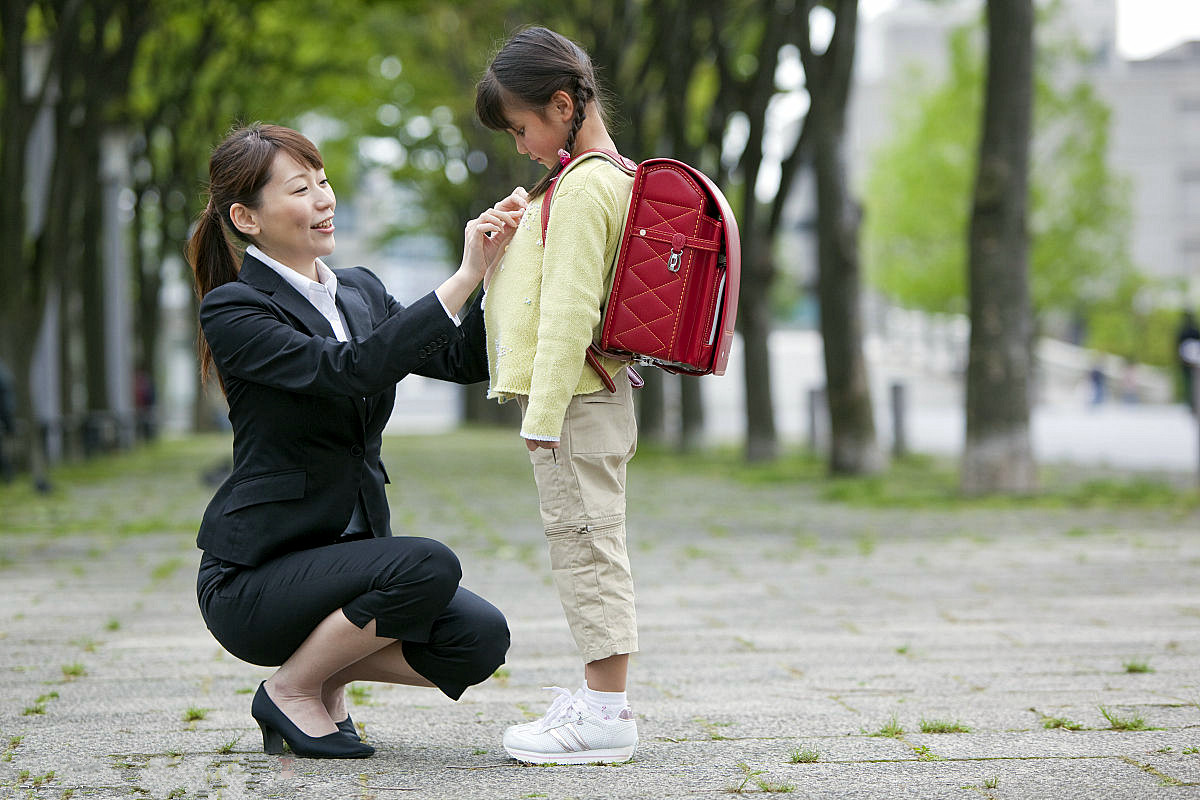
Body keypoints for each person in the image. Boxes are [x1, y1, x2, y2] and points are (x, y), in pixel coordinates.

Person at [188, 123, 524, 759]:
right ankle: (290, 690)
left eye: (324, 182)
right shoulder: (234, 309)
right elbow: (348, 370)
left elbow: (461, 357)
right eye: (301, 188)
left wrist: (500, 268)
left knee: (479, 637)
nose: (324, 199)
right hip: (255, 580)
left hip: (347, 563)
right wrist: (459, 276)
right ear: (246, 217)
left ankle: (321, 677)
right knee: (426, 562)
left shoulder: (361, 290)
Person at [475, 27, 641, 765]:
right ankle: (601, 700)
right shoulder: (607, 175)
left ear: (564, 104)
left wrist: (540, 417)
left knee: (588, 550)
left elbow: (570, 310)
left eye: (521, 126)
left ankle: (605, 716)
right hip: (588, 397)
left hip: (575, 401)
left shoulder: (582, 188)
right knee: (587, 543)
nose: (520, 145)